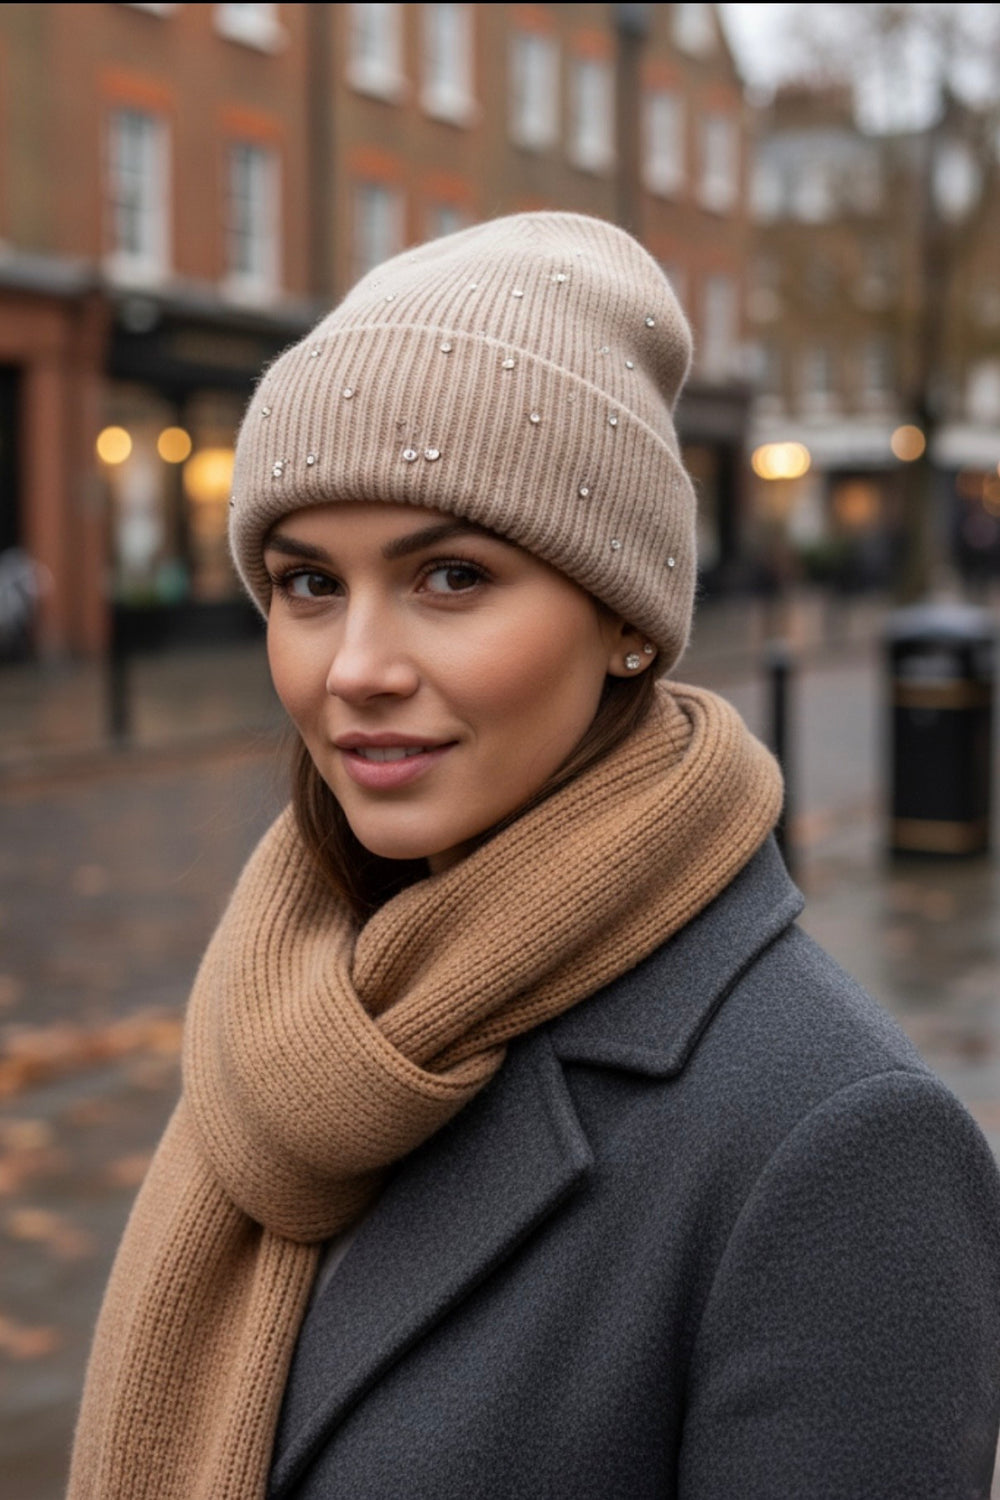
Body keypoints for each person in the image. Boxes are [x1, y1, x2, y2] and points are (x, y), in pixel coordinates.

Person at [69, 213, 1000, 1500]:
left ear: (623, 615)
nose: (357, 670)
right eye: (306, 584)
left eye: (450, 576)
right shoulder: (279, 1014)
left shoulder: (839, 1148)